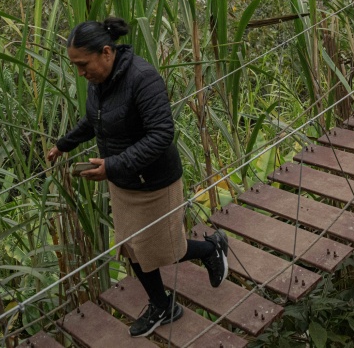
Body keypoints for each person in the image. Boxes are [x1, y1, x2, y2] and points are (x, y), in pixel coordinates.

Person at [47, 17, 229, 338]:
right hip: (123, 182)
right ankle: (162, 305)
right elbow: (93, 121)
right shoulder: (99, 81)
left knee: (165, 248)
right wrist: (63, 145)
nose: (80, 72)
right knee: (132, 247)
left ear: (106, 52)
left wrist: (112, 165)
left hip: (155, 182)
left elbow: (162, 134)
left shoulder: (143, 78)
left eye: (83, 64)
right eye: (75, 66)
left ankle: (210, 249)